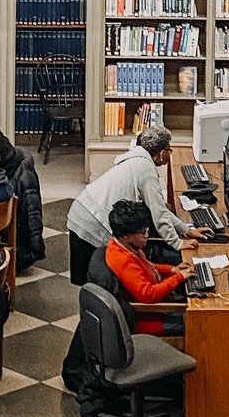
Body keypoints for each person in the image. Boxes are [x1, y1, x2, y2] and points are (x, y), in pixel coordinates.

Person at [65, 125, 212, 285]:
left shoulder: (136, 159)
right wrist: (178, 243)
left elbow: (159, 208)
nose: (170, 154)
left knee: (95, 278)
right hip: (91, 221)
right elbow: (159, 214)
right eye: (169, 150)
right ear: (161, 153)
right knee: (97, 280)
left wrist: (187, 230)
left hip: (83, 210)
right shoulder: (145, 170)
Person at [100, 199, 190, 336]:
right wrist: (179, 278)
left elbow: (146, 266)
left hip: (156, 305)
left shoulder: (123, 246)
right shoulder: (123, 261)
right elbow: (148, 294)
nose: (147, 235)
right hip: (148, 317)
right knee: (201, 321)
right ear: (126, 235)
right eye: (142, 233)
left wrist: (172, 270)